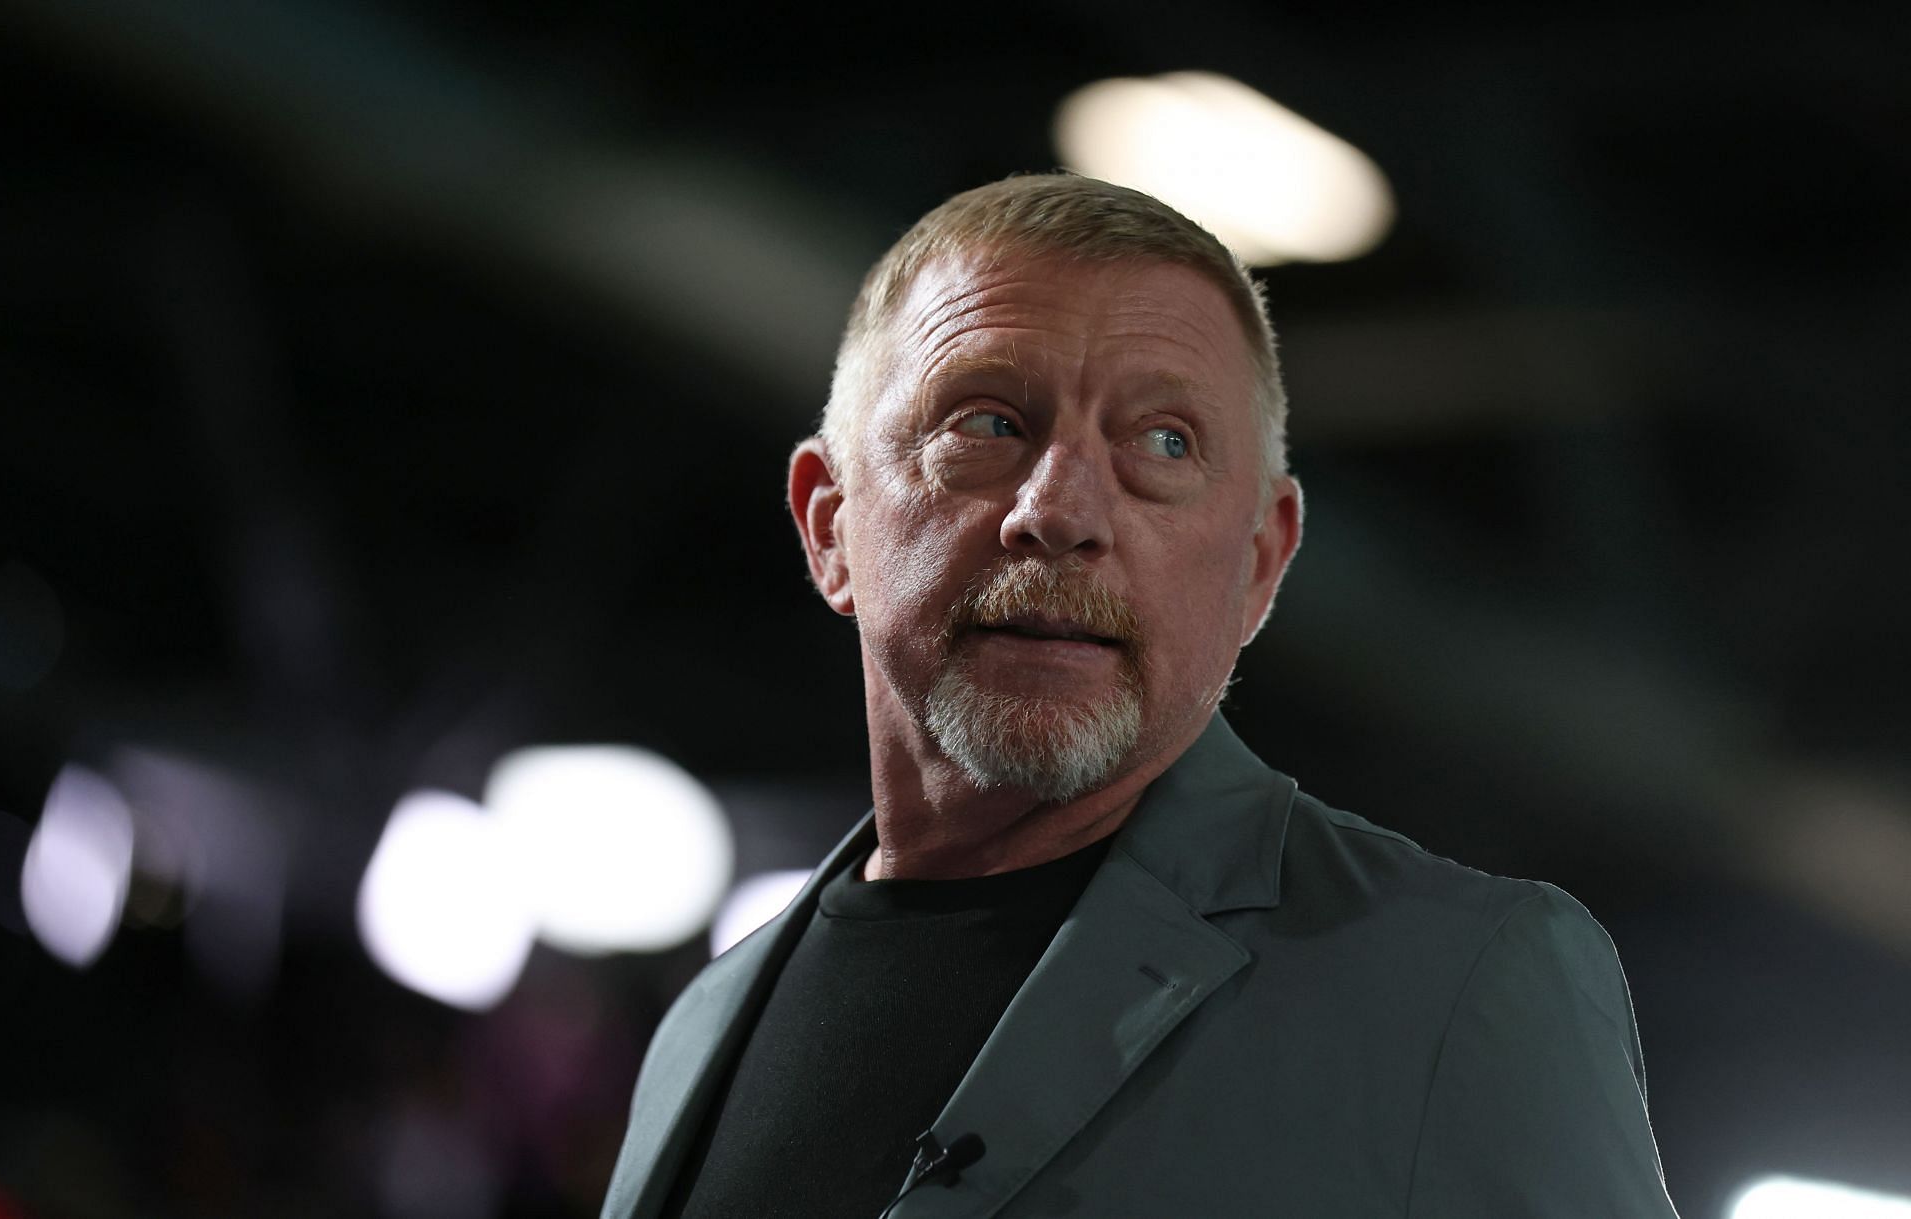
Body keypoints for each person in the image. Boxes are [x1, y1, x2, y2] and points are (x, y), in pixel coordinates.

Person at [601, 174, 1680, 1218]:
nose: (1062, 509)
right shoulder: (701, 1026)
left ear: (1262, 562)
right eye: (988, 423)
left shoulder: (1463, 986)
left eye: (1165, 443)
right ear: (828, 523)